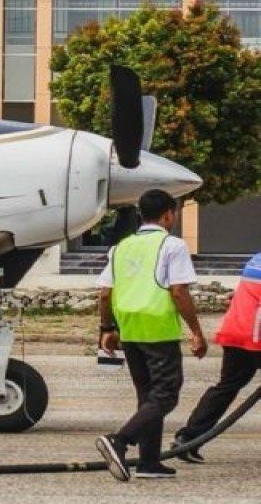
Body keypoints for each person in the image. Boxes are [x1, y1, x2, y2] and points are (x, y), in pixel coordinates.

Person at [94, 189, 206, 482]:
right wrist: (196, 331)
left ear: (142, 215)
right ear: (169, 214)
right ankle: (120, 441)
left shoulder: (120, 248)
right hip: (158, 330)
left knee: (148, 397)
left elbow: (105, 294)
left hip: (130, 330)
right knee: (166, 395)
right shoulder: (172, 245)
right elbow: (179, 291)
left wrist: (108, 329)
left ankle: (149, 463)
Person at [172, 251, 261, 463]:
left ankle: (188, 438)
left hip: (236, 329)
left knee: (226, 387)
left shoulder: (256, 258)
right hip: (256, 334)